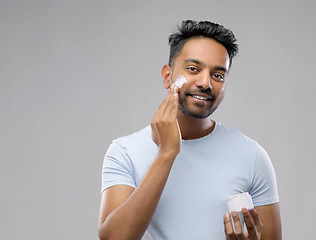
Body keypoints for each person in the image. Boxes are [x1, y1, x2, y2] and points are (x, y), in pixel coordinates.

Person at [98, 20, 282, 240]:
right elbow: (114, 238)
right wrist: (166, 154)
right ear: (168, 76)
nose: (206, 83)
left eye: (218, 75)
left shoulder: (252, 155)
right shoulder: (124, 152)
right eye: (193, 69)